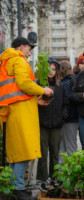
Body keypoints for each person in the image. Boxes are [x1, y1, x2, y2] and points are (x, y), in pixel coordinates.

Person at [0, 37, 53, 200]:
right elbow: (24, 84)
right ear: (22, 47)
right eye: (29, 49)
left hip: (12, 111)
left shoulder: (6, 61)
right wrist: (43, 90)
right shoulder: (19, 60)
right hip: (21, 114)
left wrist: (33, 100)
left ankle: (14, 188)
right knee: (25, 151)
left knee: (17, 153)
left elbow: (15, 90)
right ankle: (18, 188)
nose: (30, 53)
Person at [36, 57, 67, 192]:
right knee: (42, 152)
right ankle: (42, 179)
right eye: (48, 69)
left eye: (54, 69)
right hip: (42, 123)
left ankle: (54, 178)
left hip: (56, 124)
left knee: (55, 152)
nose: (51, 72)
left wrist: (62, 118)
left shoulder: (61, 87)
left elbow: (66, 104)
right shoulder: (37, 85)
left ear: (57, 71)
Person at [58, 61, 79, 163]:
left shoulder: (61, 84)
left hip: (64, 118)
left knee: (61, 148)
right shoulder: (74, 82)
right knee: (71, 146)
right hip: (72, 118)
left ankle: (60, 172)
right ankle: (73, 171)